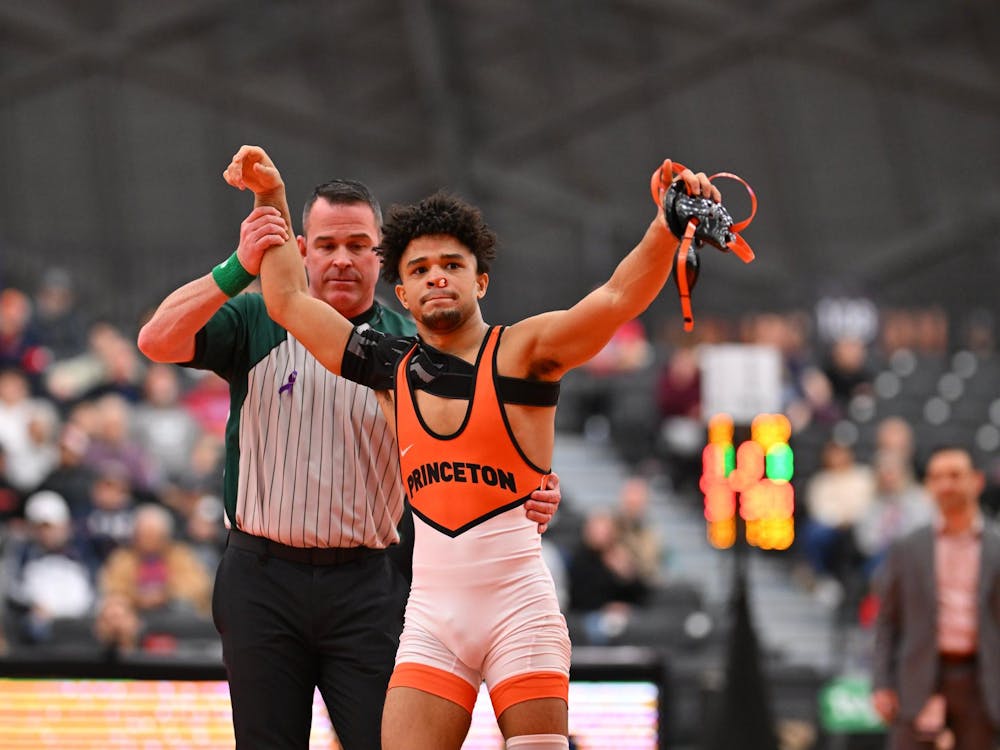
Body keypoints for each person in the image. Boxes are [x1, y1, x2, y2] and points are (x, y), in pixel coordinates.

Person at [225, 143, 721, 749]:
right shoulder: (389, 369)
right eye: (420, 268)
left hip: (520, 609)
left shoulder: (526, 351)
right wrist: (271, 197)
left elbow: (615, 299)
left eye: (453, 265)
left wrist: (668, 225)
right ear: (401, 295)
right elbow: (286, 301)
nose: (437, 275)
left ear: (480, 279)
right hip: (432, 620)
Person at [137, 175, 561, 749]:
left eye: (358, 245)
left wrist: (531, 488)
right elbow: (157, 340)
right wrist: (239, 266)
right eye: (328, 244)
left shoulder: (416, 347)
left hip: (369, 585)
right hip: (262, 579)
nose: (342, 259)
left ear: (379, 255)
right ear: (302, 249)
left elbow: (487, 439)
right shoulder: (258, 319)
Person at [871, 445, 1000, 749]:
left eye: (955, 475)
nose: (946, 485)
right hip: (917, 677)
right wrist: (881, 683)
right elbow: (887, 621)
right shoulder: (908, 547)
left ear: (976, 481)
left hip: (981, 682)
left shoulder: (996, 547)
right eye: (937, 477)